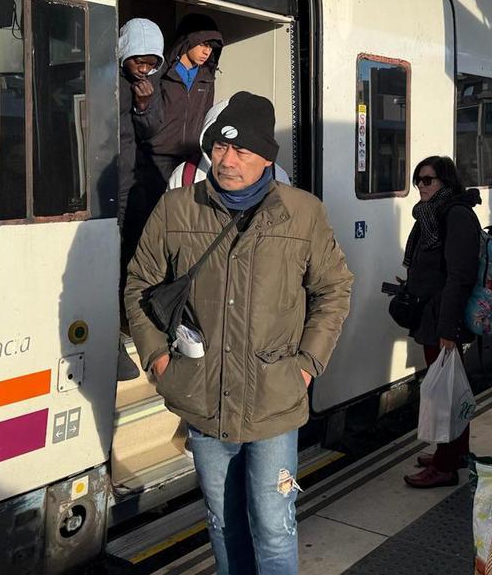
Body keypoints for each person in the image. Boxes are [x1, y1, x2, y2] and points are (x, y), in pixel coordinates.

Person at [124, 92, 353, 575]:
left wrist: (307, 365)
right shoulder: (176, 208)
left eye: (241, 150)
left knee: (273, 525)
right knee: (223, 521)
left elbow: (333, 290)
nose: (227, 161)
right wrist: (159, 360)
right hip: (202, 396)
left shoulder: (303, 213)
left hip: (275, 400)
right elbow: (140, 284)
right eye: (219, 148)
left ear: (267, 157)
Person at [401, 155, 482, 488]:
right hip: (433, 313)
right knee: (448, 388)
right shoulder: (432, 214)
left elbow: (459, 276)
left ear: (445, 182)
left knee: (443, 395)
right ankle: (455, 453)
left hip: (442, 318)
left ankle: (445, 467)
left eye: (427, 180)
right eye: (418, 180)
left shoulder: (456, 214)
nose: (421, 186)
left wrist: (448, 329)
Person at [147, 13, 224, 182]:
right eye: (203, 44)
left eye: (211, 47)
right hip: (158, 156)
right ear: (188, 41)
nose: (207, 51)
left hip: (192, 157)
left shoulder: (207, 77)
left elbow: (206, 116)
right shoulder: (161, 71)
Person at [118, 18, 167, 265]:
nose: (144, 69)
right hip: (100, 170)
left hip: (130, 174)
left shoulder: (151, 83)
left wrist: (143, 106)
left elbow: (150, 131)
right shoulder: (105, 75)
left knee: (130, 239)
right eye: (139, 61)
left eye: (151, 63)